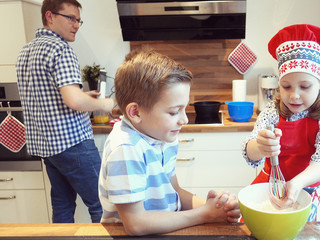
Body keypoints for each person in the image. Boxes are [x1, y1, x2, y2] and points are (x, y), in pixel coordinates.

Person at [98, 49, 241, 236]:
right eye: (174, 112)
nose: (184, 120)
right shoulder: (126, 148)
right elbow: (136, 224)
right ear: (135, 112)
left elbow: (175, 193)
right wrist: (204, 214)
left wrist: (217, 208)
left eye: (184, 109)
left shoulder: (162, 137)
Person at [16, 0, 114, 223]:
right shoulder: (61, 50)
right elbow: (74, 102)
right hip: (73, 143)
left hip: (47, 147)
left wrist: (82, 96)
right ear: (50, 16)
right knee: (102, 204)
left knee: (62, 204)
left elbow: (47, 96)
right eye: (70, 18)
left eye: (78, 20)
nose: (76, 25)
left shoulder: (25, 52)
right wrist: (104, 104)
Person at [242, 24, 320, 221]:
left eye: (305, 86)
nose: (294, 95)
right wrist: (260, 146)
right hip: (268, 187)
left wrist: (296, 184)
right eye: (286, 86)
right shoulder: (273, 110)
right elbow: (251, 153)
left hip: (306, 190)